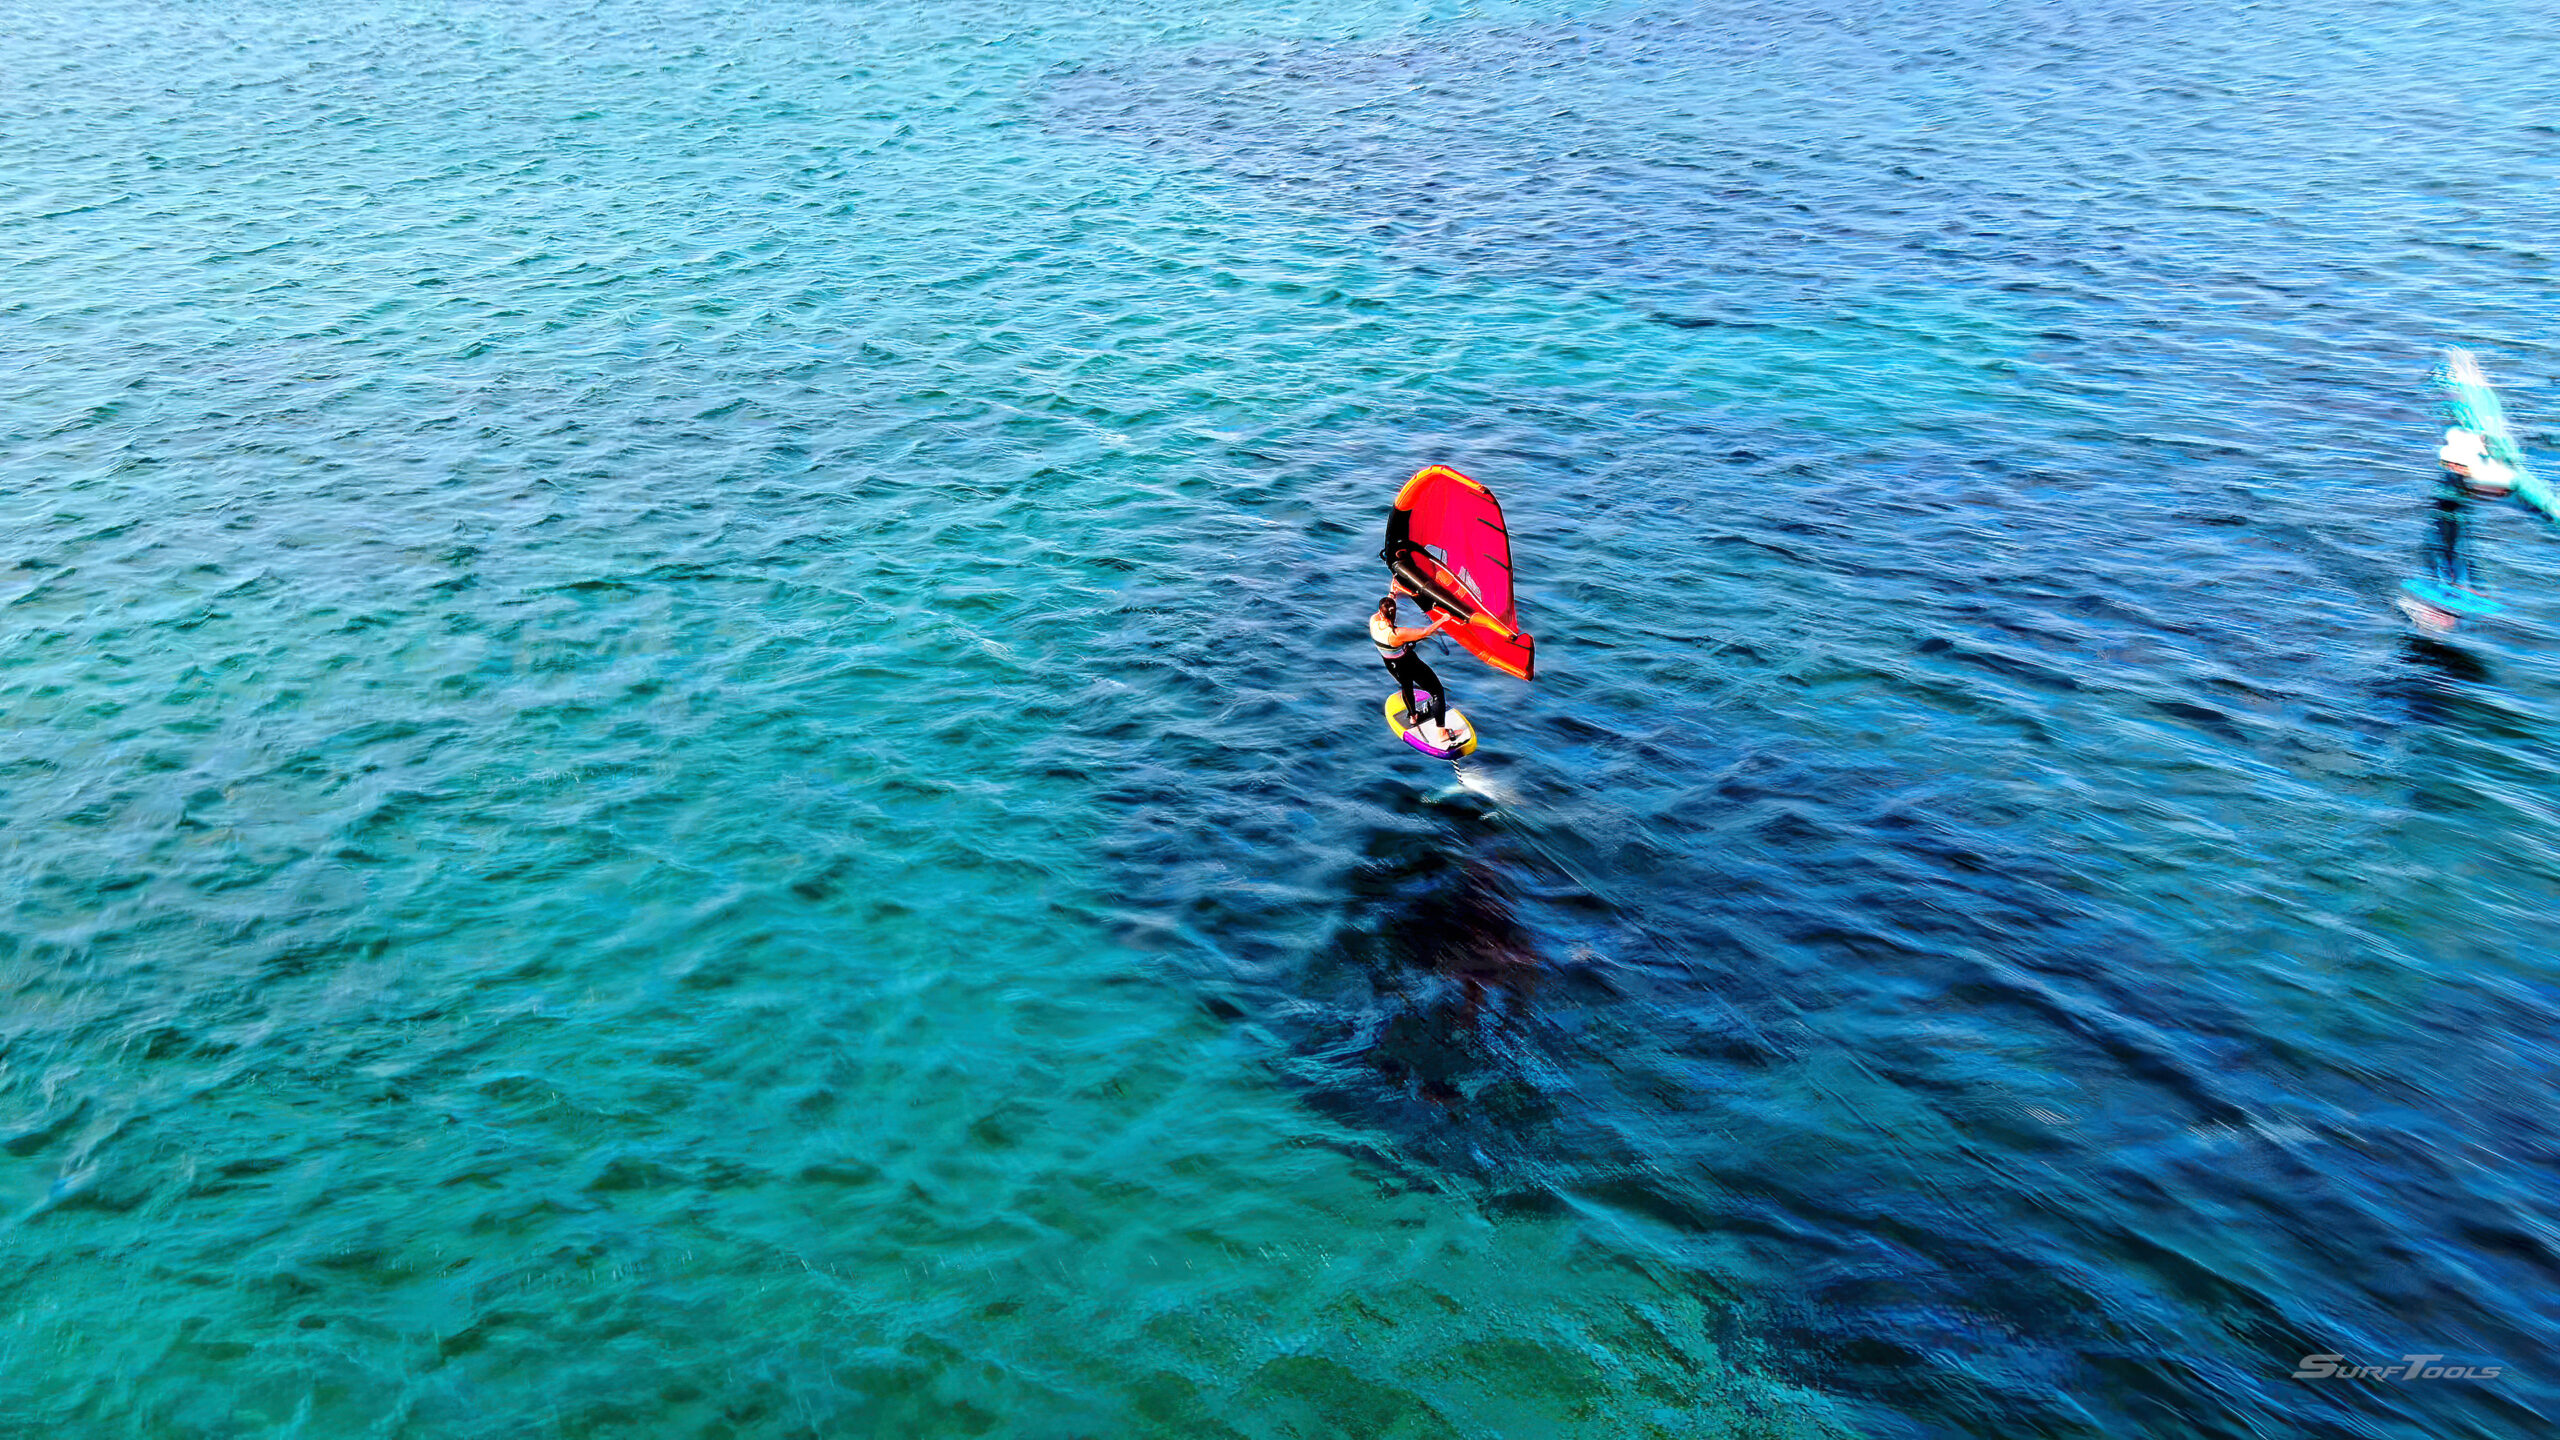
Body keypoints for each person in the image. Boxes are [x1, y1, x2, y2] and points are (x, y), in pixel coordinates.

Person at [2399, 428, 2510, 633]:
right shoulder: (2457, 469)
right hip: (2447, 515)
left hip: (2455, 514)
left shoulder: (2462, 470)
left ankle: (2457, 587)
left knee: (2457, 551)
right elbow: (2468, 489)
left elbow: (2473, 488)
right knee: (2447, 552)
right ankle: (2450, 588)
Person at [1372, 591, 1459, 746]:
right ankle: (1442, 733)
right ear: (1394, 613)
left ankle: (1413, 716)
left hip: (1391, 665)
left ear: (1380, 612)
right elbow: (1425, 632)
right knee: (1437, 691)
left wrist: (1392, 593)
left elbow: (1385, 608)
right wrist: (1443, 619)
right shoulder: (1397, 634)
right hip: (1408, 663)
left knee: (1406, 686)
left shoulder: (1374, 621)